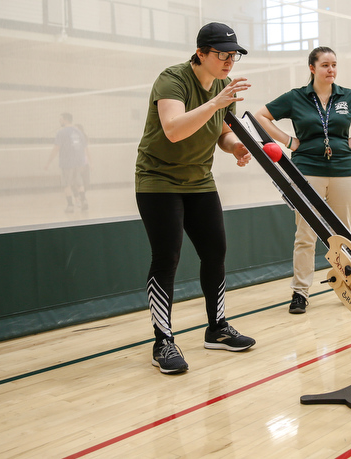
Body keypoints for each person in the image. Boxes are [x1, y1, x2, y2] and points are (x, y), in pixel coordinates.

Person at [136, 22, 256, 374]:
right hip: (158, 180)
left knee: (215, 251)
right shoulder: (172, 79)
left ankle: (216, 328)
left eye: (233, 55)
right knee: (167, 257)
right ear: (201, 53)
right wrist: (217, 101)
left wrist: (237, 148)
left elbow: (223, 133)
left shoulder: (222, 87)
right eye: (222, 54)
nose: (229, 61)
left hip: (199, 180)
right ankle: (163, 341)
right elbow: (174, 129)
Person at [254, 46, 351, 315]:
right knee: (305, 235)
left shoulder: (347, 97)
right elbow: (261, 116)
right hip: (306, 171)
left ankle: (348, 284)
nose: (331, 70)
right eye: (325, 65)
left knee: (343, 234)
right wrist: (288, 141)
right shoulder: (296, 97)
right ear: (312, 68)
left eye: (334, 65)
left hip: (344, 170)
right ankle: (300, 292)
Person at [45, 113, 89, 212]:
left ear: (65, 120)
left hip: (67, 162)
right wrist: (83, 161)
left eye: (60, 119)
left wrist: (48, 162)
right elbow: (84, 147)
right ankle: (84, 201)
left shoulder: (61, 132)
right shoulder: (79, 132)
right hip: (79, 161)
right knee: (79, 183)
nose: (59, 121)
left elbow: (56, 148)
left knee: (66, 184)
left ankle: (70, 206)